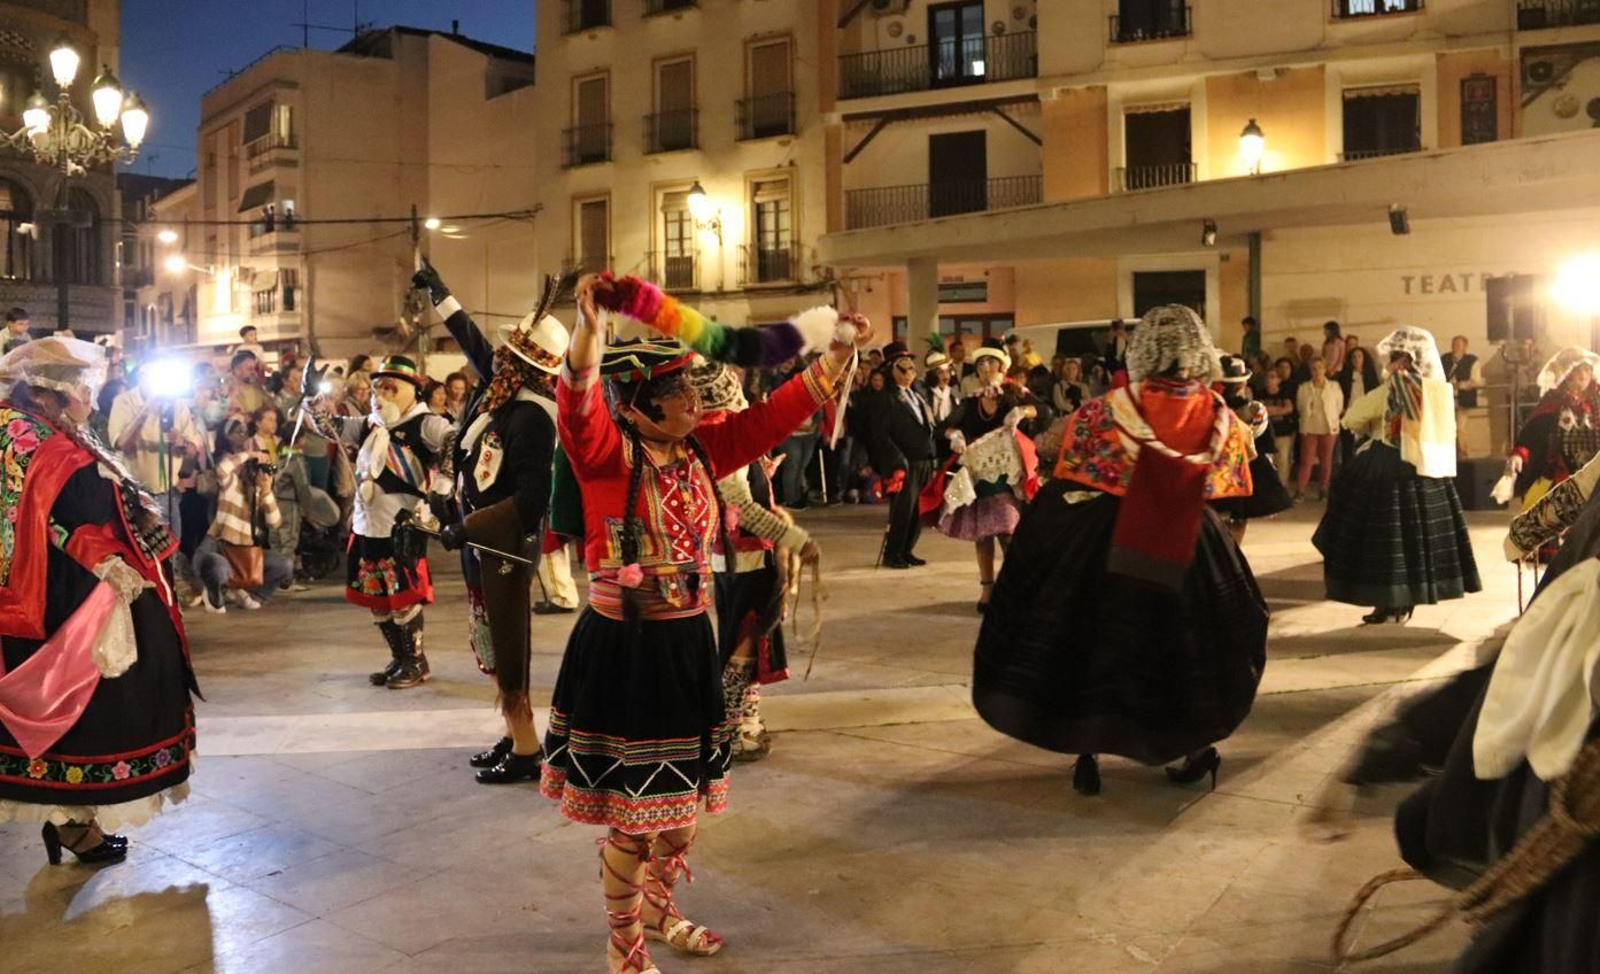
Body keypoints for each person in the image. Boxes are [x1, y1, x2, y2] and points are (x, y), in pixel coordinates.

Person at [541, 272, 867, 974]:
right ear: (640, 406)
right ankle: (621, 943)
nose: (698, 402)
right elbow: (576, 401)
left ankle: (659, 911)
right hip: (626, 648)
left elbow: (772, 417)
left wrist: (837, 354)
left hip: (689, 640)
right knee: (635, 817)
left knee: (680, 815)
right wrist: (591, 328)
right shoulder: (604, 453)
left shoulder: (701, 450)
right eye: (682, 393)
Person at [971, 305, 1267, 798]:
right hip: (1189, 541)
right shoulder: (1220, 415)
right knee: (1187, 648)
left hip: (1108, 540)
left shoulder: (1105, 410)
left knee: (1091, 643)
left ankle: (1088, 755)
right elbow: (1236, 474)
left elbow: (1066, 461)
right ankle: (1195, 748)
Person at [0, 337, 197, 866]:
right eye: (86, 388)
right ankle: (69, 819)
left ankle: (63, 820)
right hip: (61, 599)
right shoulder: (55, 449)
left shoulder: (13, 430)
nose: (92, 397)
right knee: (88, 709)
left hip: (19, 595)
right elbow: (82, 513)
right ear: (60, 392)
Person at [412, 261, 564, 786]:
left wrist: (465, 528)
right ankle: (513, 731)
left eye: (510, 355)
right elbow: (473, 340)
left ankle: (527, 749)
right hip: (483, 542)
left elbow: (531, 499)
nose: (496, 359)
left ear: (525, 366)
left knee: (509, 643)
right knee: (492, 643)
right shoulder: (502, 394)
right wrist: (442, 295)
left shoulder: (534, 415)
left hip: (505, 546)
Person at [689, 361, 819, 760]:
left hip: (736, 556)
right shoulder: (724, 436)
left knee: (749, 638)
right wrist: (795, 538)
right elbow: (739, 505)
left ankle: (745, 722)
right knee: (745, 640)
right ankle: (730, 729)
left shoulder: (708, 435)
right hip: (744, 558)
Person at [1313, 326, 1481, 625]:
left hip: (1388, 467)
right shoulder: (1438, 392)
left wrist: (1374, 427)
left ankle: (1388, 603)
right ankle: (1410, 598)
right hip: (1427, 470)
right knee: (1417, 539)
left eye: (1393, 358)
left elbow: (1353, 417)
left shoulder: (1392, 388)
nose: (1388, 364)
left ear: (1404, 360)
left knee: (1384, 539)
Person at [308, 355, 454, 689]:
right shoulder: (370, 423)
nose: (380, 396)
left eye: (390, 389)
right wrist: (313, 403)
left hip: (402, 525)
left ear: (411, 392)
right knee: (378, 599)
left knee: (404, 597)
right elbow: (332, 427)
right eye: (377, 389)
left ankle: (416, 661)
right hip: (367, 523)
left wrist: (444, 481)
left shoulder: (425, 423)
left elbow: (453, 440)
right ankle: (400, 658)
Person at [936, 341, 1039, 612]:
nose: (984, 367)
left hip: (1008, 475)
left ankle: (1016, 589)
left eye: (990, 362)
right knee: (983, 535)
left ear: (1002, 366)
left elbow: (1044, 411)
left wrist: (1023, 411)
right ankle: (988, 591)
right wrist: (954, 436)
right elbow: (944, 426)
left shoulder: (1014, 393)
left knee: (1008, 531)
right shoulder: (971, 402)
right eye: (980, 363)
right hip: (980, 474)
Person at [107, 363, 207, 589]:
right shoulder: (123, 402)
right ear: (141, 377)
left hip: (168, 491)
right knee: (143, 551)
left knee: (171, 548)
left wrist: (182, 440)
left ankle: (168, 593)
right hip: (137, 492)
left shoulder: (176, 404)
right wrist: (146, 411)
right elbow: (122, 443)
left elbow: (193, 448)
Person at [193, 416, 294, 611]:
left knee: (285, 565)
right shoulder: (232, 486)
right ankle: (214, 593)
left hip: (244, 555)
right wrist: (250, 454)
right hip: (216, 549)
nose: (264, 474)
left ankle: (252, 596)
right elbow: (221, 470)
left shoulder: (260, 494)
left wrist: (266, 491)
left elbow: (275, 522)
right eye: (261, 469)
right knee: (219, 568)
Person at [1494, 347, 1600, 519]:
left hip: (1594, 475)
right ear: (1567, 373)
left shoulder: (1597, 398)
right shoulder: (1554, 400)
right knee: (1552, 523)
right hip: (1561, 474)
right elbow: (1532, 434)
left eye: (1587, 369)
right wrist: (1518, 455)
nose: (1584, 375)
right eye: (1578, 370)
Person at [863, 343, 938, 569]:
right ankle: (892, 552)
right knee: (902, 510)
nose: (910, 372)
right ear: (890, 370)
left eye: (912, 368)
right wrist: (896, 461)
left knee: (918, 510)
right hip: (903, 463)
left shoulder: (917, 394)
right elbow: (880, 436)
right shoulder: (885, 398)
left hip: (924, 459)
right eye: (903, 368)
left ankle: (907, 549)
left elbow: (929, 425)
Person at [1211, 355, 1293, 543]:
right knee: (1240, 519)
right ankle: (1234, 551)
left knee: (1216, 519)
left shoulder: (1211, 409)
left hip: (1218, 473)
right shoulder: (1255, 411)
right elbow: (1266, 445)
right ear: (1243, 383)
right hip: (1247, 472)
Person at [1294, 358, 1344, 501]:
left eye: (1320, 367)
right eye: (1314, 368)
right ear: (1311, 371)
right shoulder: (1303, 388)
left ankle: (1323, 489)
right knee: (1306, 461)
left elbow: (1339, 406)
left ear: (1325, 369)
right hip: (1309, 428)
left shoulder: (1334, 387)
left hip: (1328, 428)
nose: (1317, 371)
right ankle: (1301, 490)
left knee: (1326, 461)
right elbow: (1300, 406)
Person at [1441, 334, 1485, 457]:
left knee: (1460, 428)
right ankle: (1451, 453)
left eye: (1459, 345)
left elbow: (1476, 380)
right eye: (1454, 345)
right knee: (1447, 428)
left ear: (1465, 347)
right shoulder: (1444, 359)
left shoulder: (1472, 361)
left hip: (1464, 399)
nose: (1456, 347)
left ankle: (1464, 452)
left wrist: (1460, 385)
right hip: (1446, 399)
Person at [1336, 345, 1380, 465]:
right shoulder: (1344, 376)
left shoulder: (1370, 376)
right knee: (1347, 447)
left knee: (1366, 446)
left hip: (1367, 416)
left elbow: (1375, 396)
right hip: (1348, 414)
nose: (1356, 359)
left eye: (1359, 356)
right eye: (1353, 357)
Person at [1260, 369, 1298, 487]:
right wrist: (1279, 410)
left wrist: (1271, 410)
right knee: (1267, 463)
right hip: (1265, 433)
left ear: (1279, 380)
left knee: (1283, 461)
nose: (1270, 379)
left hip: (1283, 432)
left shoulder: (1285, 393)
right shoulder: (1260, 393)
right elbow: (1261, 410)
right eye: (1268, 377)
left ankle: (1281, 486)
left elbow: (1289, 409)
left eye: (1273, 377)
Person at [226, 350, 270, 418]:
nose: (254, 372)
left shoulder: (258, 388)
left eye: (254, 369)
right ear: (237, 370)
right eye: (250, 369)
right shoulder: (226, 391)